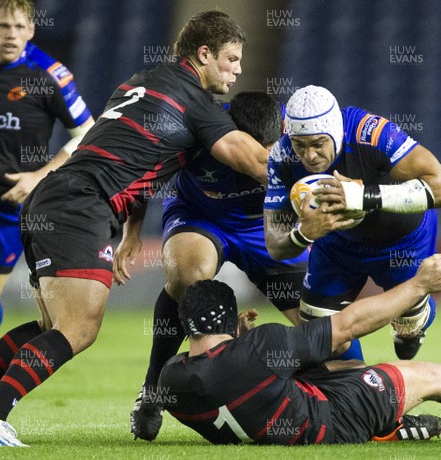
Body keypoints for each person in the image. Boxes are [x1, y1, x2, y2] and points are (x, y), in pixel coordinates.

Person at [0, 10, 269, 447]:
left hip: (56, 197)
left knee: (51, 327)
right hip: (81, 206)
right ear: (203, 54)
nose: (237, 70)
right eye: (231, 59)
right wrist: (310, 186)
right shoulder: (195, 103)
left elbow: (139, 160)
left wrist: (132, 233)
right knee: (78, 328)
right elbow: (252, 161)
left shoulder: (142, 83)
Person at [157, 254, 441, 445]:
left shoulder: (171, 378)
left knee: (321, 363)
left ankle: (388, 424)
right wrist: (418, 285)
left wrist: (241, 340)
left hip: (282, 412)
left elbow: (228, 369)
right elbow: (347, 326)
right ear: (231, 319)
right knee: (424, 376)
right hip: (328, 423)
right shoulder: (261, 348)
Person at [115, 91, 308, 441]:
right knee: (186, 274)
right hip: (199, 216)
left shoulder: (297, 129)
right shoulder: (193, 129)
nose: (256, 159)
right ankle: (153, 388)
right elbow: (146, 174)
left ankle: (341, 396)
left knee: (317, 319)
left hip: (264, 226)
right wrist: (132, 234)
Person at [264, 85, 441, 361]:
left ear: (337, 131)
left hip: (402, 241)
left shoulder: (371, 133)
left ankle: (414, 321)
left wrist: (363, 196)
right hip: (337, 244)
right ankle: (356, 386)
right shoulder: (281, 156)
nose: (309, 156)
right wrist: (303, 234)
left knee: (407, 337)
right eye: (300, 145)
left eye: (319, 143)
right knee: (320, 333)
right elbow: (275, 245)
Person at [0, 0, 94, 344]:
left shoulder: (49, 74)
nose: (11, 35)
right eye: (3, 26)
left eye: (20, 27)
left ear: (31, 31)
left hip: (6, 206)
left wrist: (39, 176)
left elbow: (87, 134)